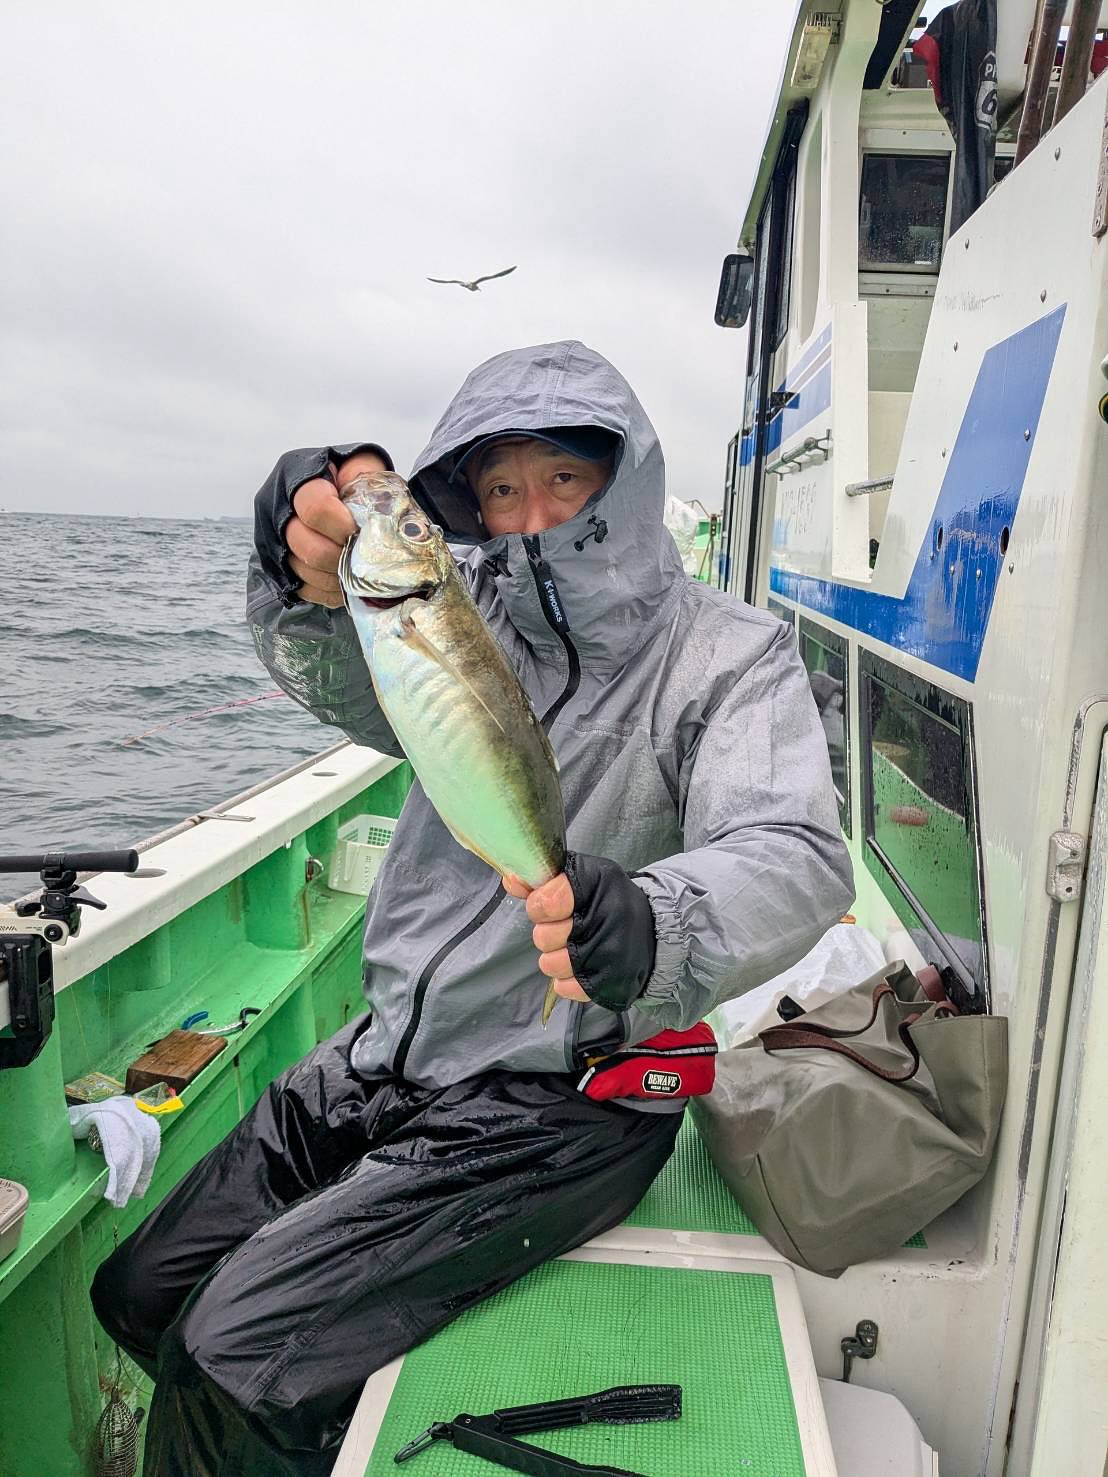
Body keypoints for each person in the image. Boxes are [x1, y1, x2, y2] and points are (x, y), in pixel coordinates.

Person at [91, 340, 853, 1475]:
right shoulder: (462, 610)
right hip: (393, 1048)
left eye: (563, 478)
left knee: (227, 1355)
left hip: (568, 1092)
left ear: (625, 480)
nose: (531, 513)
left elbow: (796, 853)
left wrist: (653, 916)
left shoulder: (726, 655)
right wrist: (294, 562)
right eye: (499, 487)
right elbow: (340, 668)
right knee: (135, 1290)